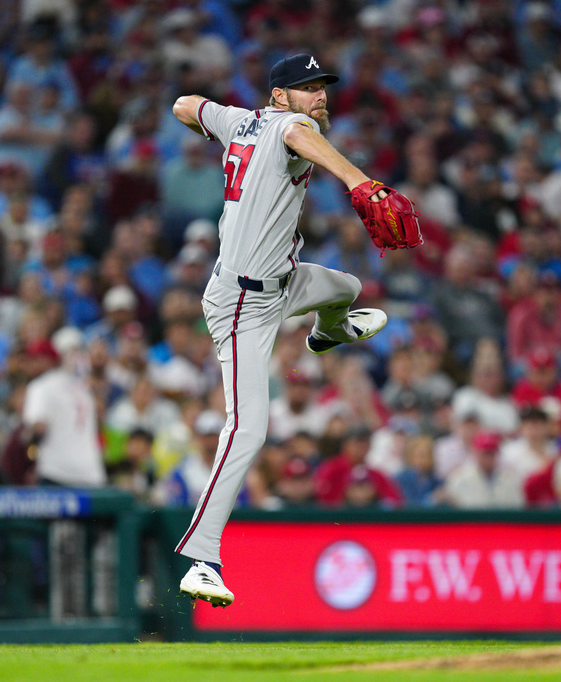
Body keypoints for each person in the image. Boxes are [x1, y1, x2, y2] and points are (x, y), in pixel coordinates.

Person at [171, 53, 414, 607]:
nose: (319, 96)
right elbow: (301, 136)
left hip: (282, 282)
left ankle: (328, 333)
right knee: (247, 429)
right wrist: (359, 182)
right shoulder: (290, 124)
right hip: (241, 303)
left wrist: (214, 119)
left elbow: (185, 104)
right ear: (280, 95)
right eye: (306, 88)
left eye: (322, 86)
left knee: (347, 287)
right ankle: (200, 557)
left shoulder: (242, 121)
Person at [21, 327, 106, 488]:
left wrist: (27, 440)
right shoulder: (86, 388)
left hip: (56, 471)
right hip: (90, 473)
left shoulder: (41, 386)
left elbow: (38, 428)